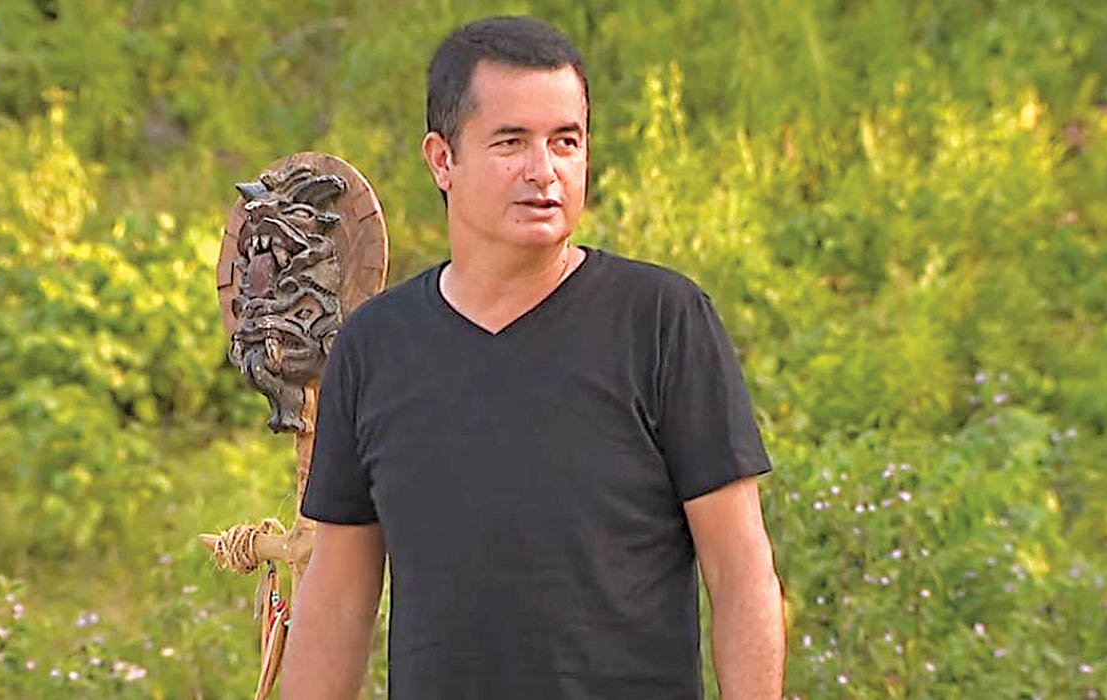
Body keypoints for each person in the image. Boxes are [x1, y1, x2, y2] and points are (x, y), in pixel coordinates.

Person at [282, 16, 785, 700]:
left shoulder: (662, 322)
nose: (543, 171)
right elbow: (338, 601)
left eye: (565, 141)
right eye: (511, 142)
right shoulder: (375, 348)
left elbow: (742, 572)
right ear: (442, 160)